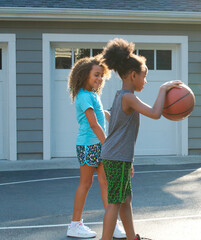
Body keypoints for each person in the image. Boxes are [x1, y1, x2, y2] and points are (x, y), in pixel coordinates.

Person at [100, 38, 182, 240]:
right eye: (144, 77)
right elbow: (155, 113)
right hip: (117, 157)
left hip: (119, 157)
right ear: (132, 75)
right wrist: (163, 89)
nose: (145, 81)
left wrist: (129, 162)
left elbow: (116, 125)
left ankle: (131, 238)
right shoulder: (128, 98)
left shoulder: (121, 96)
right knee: (115, 202)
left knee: (125, 199)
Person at [66, 56, 126, 238]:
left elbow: (100, 115)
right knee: (86, 183)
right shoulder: (83, 96)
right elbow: (93, 124)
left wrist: (112, 114)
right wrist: (108, 144)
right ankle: (75, 225)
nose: (99, 79)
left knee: (105, 182)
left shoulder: (92, 94)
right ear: (84, 75)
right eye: (96, 75)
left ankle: (112, 223)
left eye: (101, 75)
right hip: (89, 145)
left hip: (99, 144)